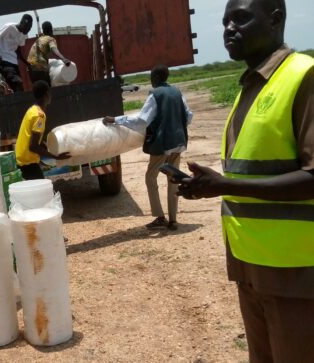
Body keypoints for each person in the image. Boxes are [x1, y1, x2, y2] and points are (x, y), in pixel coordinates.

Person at [177, 0, 314, 361]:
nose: (228, 29)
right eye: (224, 21)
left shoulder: (304, 76)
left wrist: (224, 186)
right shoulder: (249, 87)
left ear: (276, 19)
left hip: (295, 271)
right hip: (250, 266)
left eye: (240, 18)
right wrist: (209, 187)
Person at [103, 65, 193, 230]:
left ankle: (159, 217)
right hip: (178, 143)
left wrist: (115, 119)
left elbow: (142, 120)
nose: (151, 80)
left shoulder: (156, 95)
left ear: (157, 77)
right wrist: (176, 128)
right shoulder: (177, 92)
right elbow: (188, 115)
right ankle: (173, 220)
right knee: (173, 180)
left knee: (150, 178)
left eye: (151, 76)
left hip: (163, 145)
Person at [15, 80, 71, 180]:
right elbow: (33, 146)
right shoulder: (39, 116)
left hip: (22, 159)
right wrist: (55, 156)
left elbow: (35, 141)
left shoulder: (32, 110)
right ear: (46, 94)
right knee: (42, 193)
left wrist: (49, 149)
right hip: (28, 162)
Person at [0, 14, 33, 92]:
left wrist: (27, 63)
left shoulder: (24, 35)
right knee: (18, 83)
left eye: (29, 29)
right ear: (22, 23)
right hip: (3, 60)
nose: (27, 31)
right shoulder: (10, 27)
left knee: (18, 88)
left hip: (14, 63)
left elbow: (18, 50)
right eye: (27, 28)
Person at [27, 21, 71, 85]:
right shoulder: (50, 39)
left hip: (30, 68)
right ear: (51, 30)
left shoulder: (39, 39)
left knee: (38, 90)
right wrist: (63, 59)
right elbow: (54, 49)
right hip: (39, 67)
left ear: (43, 31)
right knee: (47, 88)